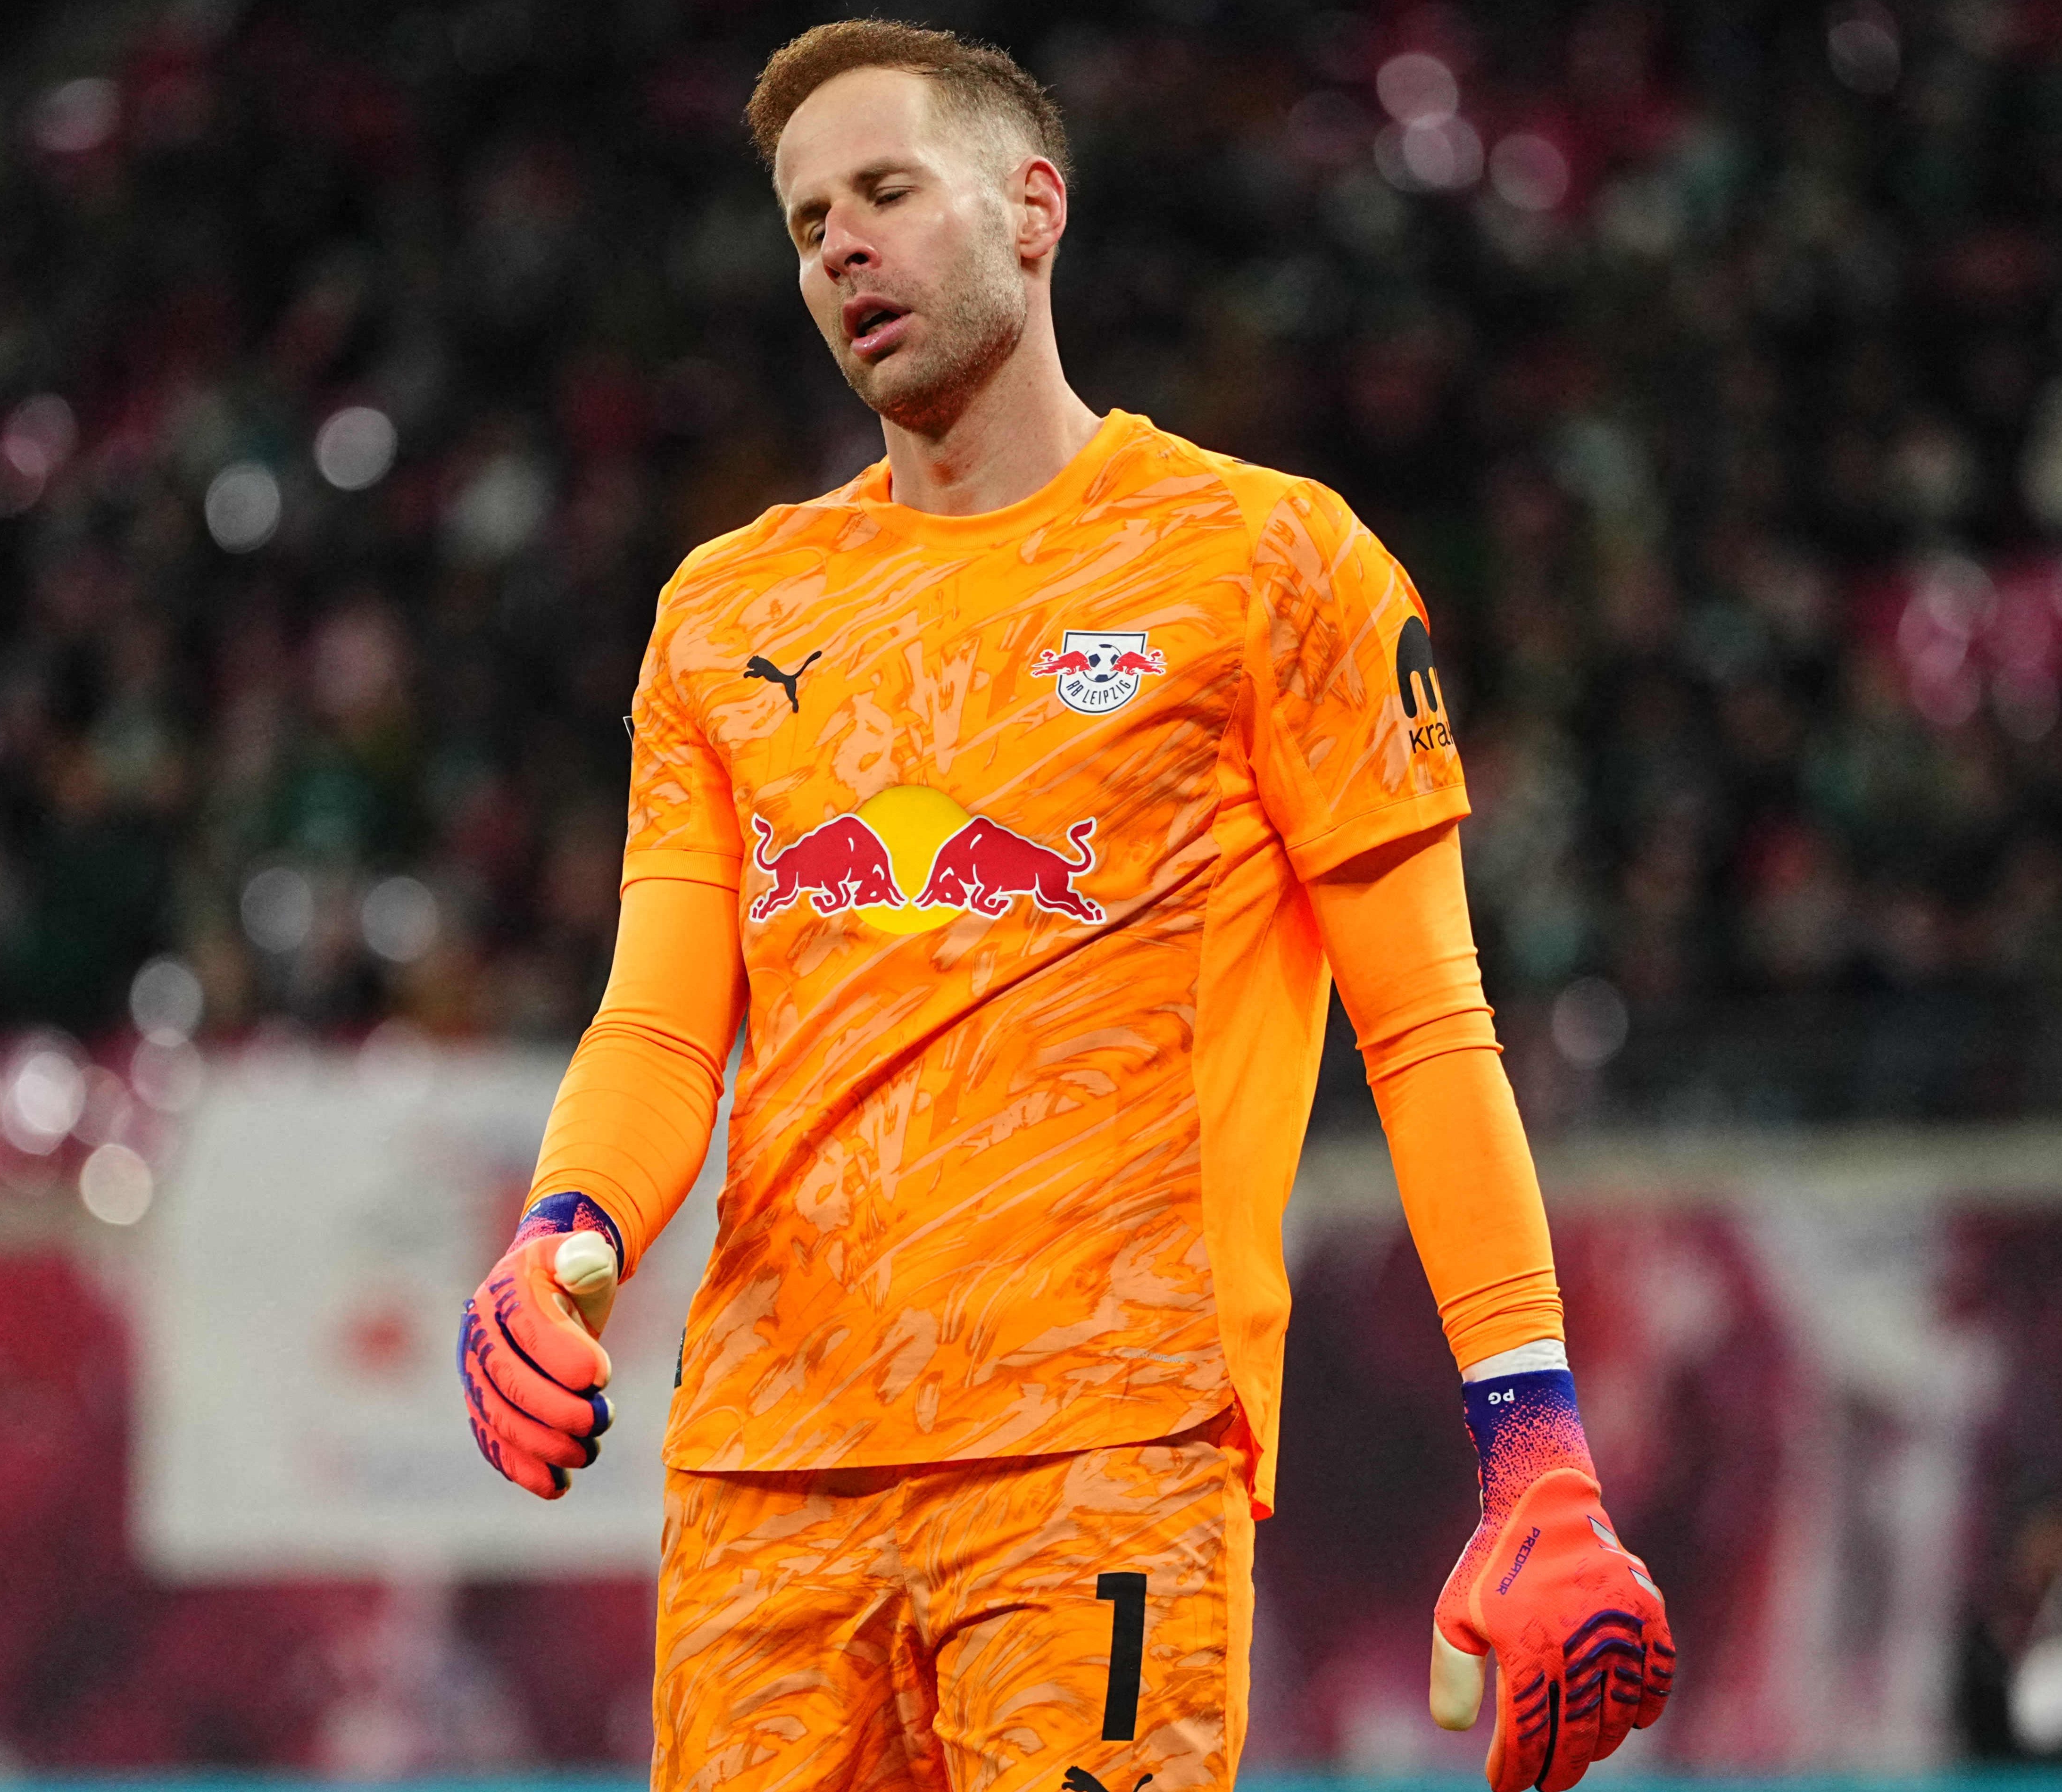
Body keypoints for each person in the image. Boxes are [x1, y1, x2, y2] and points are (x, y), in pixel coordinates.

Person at [455, 20, 1671, 1791]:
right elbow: (657, 1025)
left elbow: (1426, 1034)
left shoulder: (1267, 566)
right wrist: (558, 1229)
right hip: (761, 1482)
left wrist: (1534, 1450)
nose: (841, 249)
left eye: (885, 192)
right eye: (806, 224)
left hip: (1104, 1457)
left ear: (1033, 209)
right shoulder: (723, 613)